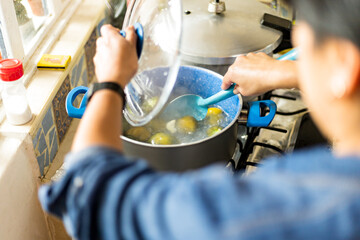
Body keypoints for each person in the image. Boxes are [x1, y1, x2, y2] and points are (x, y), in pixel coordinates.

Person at [39, 0, 360, 239]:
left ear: (344, 66)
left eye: (304, 44)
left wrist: (108, 84)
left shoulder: (291, 208)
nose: (299, 48)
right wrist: (285, 71)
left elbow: (88, 194)